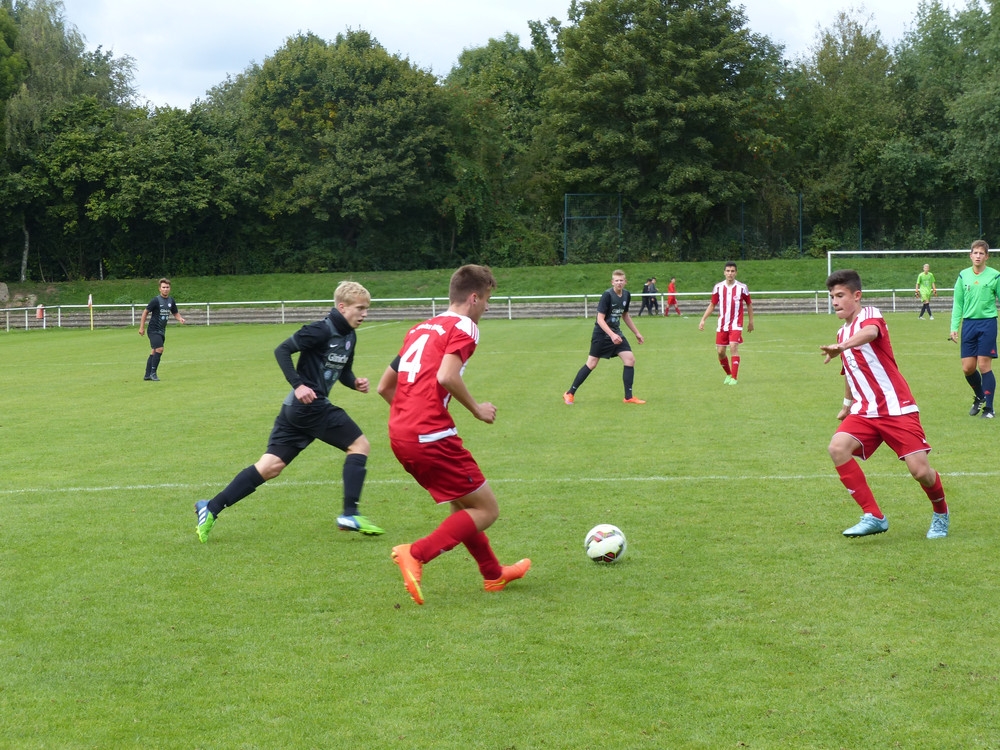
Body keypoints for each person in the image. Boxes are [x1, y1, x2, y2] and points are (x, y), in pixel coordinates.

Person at [377, 265, 530, 605]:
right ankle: (416, 553)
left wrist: (410, 417)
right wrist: (477, 409)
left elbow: (384, 386)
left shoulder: (420, 328)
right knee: (486, 510)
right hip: (430, 436)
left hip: (400, 434)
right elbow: (447, 376)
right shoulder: (465, 327)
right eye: (487, 300)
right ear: (474, 297)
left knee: (462, 505)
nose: (487, 307)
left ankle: (493, 574)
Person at [194, 281, 383, 542]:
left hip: (297, 411)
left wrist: (354, 383)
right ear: (342, 307)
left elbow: (343, 371)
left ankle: (211, 507)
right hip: (310, 407)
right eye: (360, 308)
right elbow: (282, 350)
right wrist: (298, 384)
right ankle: (350, 513)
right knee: (359, 445)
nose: (364, 314)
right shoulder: (319, 330)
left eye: (366, 309)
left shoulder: (350, 336)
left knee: (270, 466)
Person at [821, 269, 948, 539]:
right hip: (865, 411)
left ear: (857, 295)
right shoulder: (841, 333)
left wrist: (842, 346)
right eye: (832, 297)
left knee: (920, 471)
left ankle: (941, 513)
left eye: (840, 295)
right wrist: (847, 404)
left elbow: (870, 333)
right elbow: (850, 370)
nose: (834, 302)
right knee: (837, 448)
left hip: (896, 407)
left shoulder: (870, 315)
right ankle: (874, 516)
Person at [563, 269, 646, 405]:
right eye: (616, 280)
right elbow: (600, 319)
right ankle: (569, 393)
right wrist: (611, 335)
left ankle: (628, 397)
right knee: (592, 363)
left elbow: (625, 315)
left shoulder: (626, 295)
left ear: (625, 282)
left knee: (630, 359)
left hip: (616, 333)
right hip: (601, 334)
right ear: (612, 282)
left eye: (621, 280)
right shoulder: (607, 295)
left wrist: (636, 333)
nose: (619, 283)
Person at [950, 240, 1000, 419]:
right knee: (968, 368)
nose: (978, 256)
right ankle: (980, 396)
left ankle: (989, 409)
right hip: (969, 324)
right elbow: (958, 303)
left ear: (987, 256)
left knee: (984, 365)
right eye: (975, 253)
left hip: (988, 324)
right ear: (970, 255)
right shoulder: (963, 276)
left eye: (981, 253)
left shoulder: (995, 276)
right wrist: (954, 327)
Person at [698, 262, 753, 385]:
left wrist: (751, 322)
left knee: (733, 346)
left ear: (736, 273)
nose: (730, 273)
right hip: (722, 325)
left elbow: (749, 304)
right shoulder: (718, 287)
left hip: (736, 324)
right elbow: (712, 305)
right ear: (724, 272)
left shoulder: (742, 287)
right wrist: (703, 319)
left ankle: (734, 378)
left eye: (732, 271)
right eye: (728, 271)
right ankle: (728, 374)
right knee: (720, 352)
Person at [139, 278, 186, 381]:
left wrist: (180, 319)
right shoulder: (155, 300)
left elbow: (175, 312)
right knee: (160, 349)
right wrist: (141, 327)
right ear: (159, 289)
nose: (165, 289)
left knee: (154, 351)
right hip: (153, 330)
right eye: (163, 287)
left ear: (170, 288)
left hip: (161, 330)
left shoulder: (171, 301)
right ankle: (153, 373)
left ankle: (147, 374)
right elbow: (145, 312)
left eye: (167, 287)